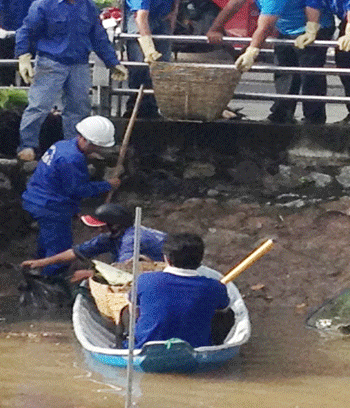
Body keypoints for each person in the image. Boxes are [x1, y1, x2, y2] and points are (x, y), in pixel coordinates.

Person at [14, 0, 129, 162]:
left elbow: (98, 37)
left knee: (79, 108)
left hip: (79, 64)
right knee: (39, 106)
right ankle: (27, 145)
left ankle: (74, 149)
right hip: (51, 63)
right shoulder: (43, 6)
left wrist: (112, 61)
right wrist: (23, 56)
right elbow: (26, 32)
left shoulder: (88, 6)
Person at [206, 0, 331, 124]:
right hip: (286, 28)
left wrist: (252, 50)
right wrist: (215, 29)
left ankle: (314, 119)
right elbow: (232, 6)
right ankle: (281, 115)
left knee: (309, 74)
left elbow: (264, 26)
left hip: (313, 27)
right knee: (284, 72)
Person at [20, 116, 122, 277]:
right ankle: (53, 280)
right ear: (85, 140)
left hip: (38, 199)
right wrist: (108, 185)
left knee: (48, 239)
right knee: (59, 247)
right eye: (95, 146)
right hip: (51, 206)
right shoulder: (72, 159)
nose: (96, 149)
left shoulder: (62, 146)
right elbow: (78, 190)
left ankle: (38, 267)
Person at [19, 203, 167, 283]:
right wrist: (42, 262)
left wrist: (90, 273)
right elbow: (76, 252)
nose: (98, 230)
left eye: (101, 226)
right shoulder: (112, 235)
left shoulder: (132, 240)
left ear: (114, 225)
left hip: (159, 274)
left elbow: (124, 271)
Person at [132, 233, 230, 349]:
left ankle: (124, 342)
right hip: (198, 346)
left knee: (130, 305)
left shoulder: (145, 280)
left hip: (144, 347)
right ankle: (215, 345)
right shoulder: (215, 287)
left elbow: (134, 309)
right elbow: (223, 308)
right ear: (200, 259)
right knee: (226, 313)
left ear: (166, 259)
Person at [125, 0, 190, 118]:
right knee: (141, 63)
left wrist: (173, 17)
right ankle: (135, 107)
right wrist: (147, 45)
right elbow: (141, 17)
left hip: (162, 15)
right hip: (139, 16)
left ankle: (154, 106)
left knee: (162, 63)